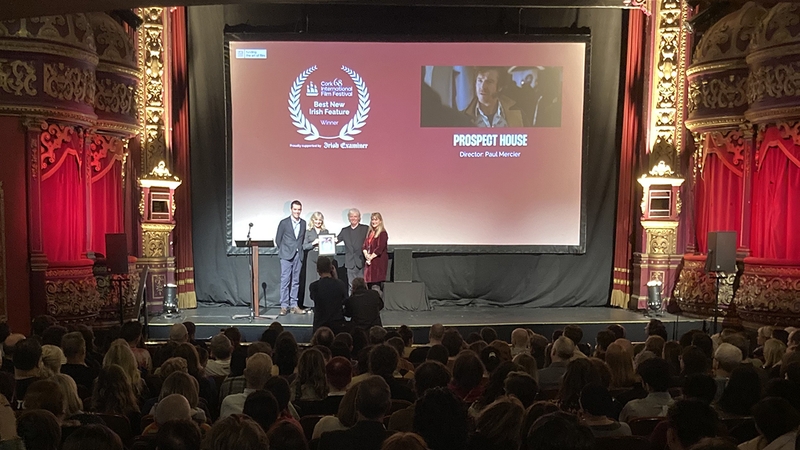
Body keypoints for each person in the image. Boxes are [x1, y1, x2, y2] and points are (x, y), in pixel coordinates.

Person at [275, 200, 307, 316]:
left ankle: (294, 305)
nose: (297, 211)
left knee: (296, 281)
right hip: (286, 255)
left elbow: (302, 239)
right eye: (295, 209)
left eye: (299, 209)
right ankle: (284, 306)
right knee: (285, 280)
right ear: (291, 209)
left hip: (298, 255)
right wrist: (285, 250)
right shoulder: (284, 223)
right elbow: (278, 239)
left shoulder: (303, 223)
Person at [309, 256, 348, 332]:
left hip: (320, 325)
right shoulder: (340, 284)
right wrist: (335, 277)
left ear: (317, 270)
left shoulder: (314, 286)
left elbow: (313, 297)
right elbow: (345, 299)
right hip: (337, 325)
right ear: (331, 268)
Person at [304, 211, 332, 310]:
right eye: (316, 220)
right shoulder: (308, 231)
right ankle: (310, 304)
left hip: (322, 257)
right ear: (313, 220)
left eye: (320, 220)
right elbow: (304, 246)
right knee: (311, 280)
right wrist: (313, 243)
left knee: (322, 280)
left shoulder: (325, 231)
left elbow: (329, 245)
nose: (318, 222)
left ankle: (322, 303)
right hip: (311, 256)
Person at [337, 208, 370, 293]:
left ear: (359, 218)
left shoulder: (365, 229)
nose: (353, 218)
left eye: (355, 216)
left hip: (361, 262)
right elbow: (336, 240)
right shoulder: (344, 230)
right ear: (348, 218)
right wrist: (324, 241)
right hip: (350, 262)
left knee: (362, 285)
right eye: (351, 216)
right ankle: (352, 301)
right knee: (351, 285)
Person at [363, 212, 388, 289]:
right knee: (369, 286)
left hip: (378, 263)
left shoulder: (383, 233)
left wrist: (370, 258)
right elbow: (364, 246)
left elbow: (380, 248)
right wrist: (366, 255)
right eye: (372, 220)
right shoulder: (370, 233)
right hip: (369, 264)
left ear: (380, 221)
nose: (373, 222)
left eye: (376, 220)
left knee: (376, 286)